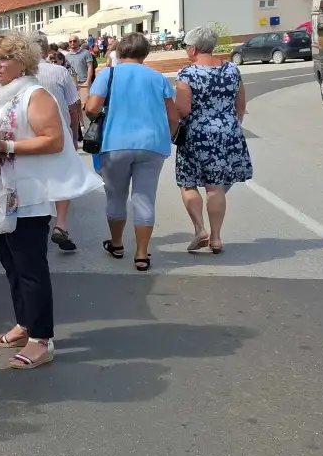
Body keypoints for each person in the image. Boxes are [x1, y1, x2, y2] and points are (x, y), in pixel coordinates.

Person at [0, 31, 102, 370]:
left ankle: (41, 339)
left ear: (23, 61)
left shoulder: (34, 94)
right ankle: (24, 323)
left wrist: (6, 146)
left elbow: (54, 141)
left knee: (31, 270)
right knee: (12, 267)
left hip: (25, 196)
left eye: (4, 58)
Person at [84, 32, 178, 271]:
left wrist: (100, 114)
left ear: (119, 51)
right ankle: (142, 253)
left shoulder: (108, 74)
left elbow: (92, 108)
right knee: (145, 197)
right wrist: (169, 134)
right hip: (152, 144)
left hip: (115, 142)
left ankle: (117, 244)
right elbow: (173, 116)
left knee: (116, 196)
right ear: (145, 53)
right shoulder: (158, 78)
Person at [174, 24, 252, 254]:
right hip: (228, 132)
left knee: (187, 182)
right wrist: (231, 125)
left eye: (187, 46)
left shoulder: (188, 74)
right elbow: (241, 105)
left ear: (194, 49)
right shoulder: (231, 70)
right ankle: (216, 238)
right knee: (216, 187)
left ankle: (200, 228)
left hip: (197, 134)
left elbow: (183, 109)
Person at [34, 32, 83, 251]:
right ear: (46, 50)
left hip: (31, 136)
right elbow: (73, 106)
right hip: (59, 134)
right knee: (63, 180)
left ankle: (39, 222)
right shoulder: (59, 72)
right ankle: (60, 225)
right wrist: (74, 135)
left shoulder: (20, 76)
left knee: (38, 180)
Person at [65, 35, 96, 113]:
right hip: (72, 85)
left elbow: (90, 67)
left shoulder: (86, 53)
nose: (72, 43)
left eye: (74, 41)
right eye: (70, 41)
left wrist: (88, 81)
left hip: (84, 82)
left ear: (78, 42)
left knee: (86, 106)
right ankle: (80, 124)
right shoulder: (67, 56)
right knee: (75, 107)